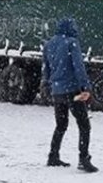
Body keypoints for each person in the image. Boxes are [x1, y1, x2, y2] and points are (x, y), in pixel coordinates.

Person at [41, 18, 96, 172]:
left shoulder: (48, 44)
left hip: (56, 91)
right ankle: (84, 159)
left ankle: (53, 156)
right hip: (72, 90)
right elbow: (78, 66)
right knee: (84, 125)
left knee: (61, 125)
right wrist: (85, 87)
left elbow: (46, 68)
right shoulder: (71, 42)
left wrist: (47, 84)